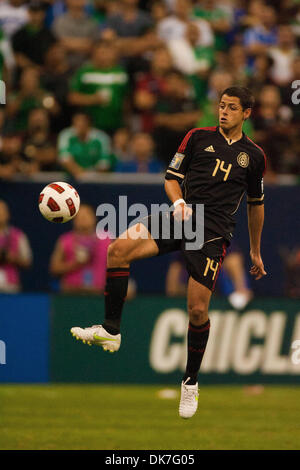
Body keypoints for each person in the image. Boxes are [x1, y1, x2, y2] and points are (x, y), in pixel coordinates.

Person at [71, 86, 267, 419]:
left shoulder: (254, 156)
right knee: (118, 249)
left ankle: (190, 382)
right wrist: (178, 203)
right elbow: (171, 179)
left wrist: (256, 251)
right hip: (182, 216)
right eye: (221, 106)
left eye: (232, 108)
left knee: (196, 310)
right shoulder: (196, 137)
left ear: (247, 113)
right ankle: (111, 330)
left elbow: (255, 205)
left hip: (212, 232)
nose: (224, 112)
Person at [50, 204, 111, 294]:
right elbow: (54, 268)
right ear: (74, 220)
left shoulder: (106, 239)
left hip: (100, 294)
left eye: (86, 215)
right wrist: (75, 264)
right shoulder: (65, 240)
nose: (83, 219)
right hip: (72, 294)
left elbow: (117, 265)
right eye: (79, 216)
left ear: (94, 218)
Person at [57, 111, 114, 178]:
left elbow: (105, 163)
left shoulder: (102, 138)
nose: (80, 124)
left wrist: (88, 175)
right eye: (77, 121)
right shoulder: (65, 135)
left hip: (96, 180)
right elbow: (64, 159)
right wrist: (80, 174)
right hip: (71, 179)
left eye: (83, 121)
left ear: (89, 123)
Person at [0, 199, 32, 292]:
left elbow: (27, 261)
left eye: (2, 211)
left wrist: (13, 258)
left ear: (8, 214)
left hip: (10, 286)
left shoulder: (18, 235)